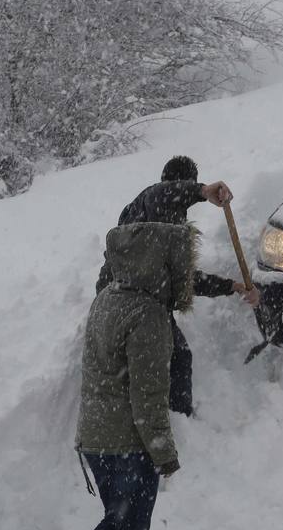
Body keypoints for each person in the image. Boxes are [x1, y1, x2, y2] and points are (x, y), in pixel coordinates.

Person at [46, 220, 194, 530]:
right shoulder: (147, 316)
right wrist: (164, 452)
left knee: (114, 522)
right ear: (158, 266)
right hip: (127, 442)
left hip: (95, 436)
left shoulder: (108, 298)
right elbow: (148, 398)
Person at [95, 155, 259, 416]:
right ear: (181, 184)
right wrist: (203, 191)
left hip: (116, 299)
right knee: (178, 357)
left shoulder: (147, 216)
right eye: (185, 188)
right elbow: (165, 194)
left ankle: (155, 421)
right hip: (135, 301)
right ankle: (176, 421)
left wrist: (232, 286)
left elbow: (182, 280)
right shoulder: (154, 200)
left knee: (168, 357)